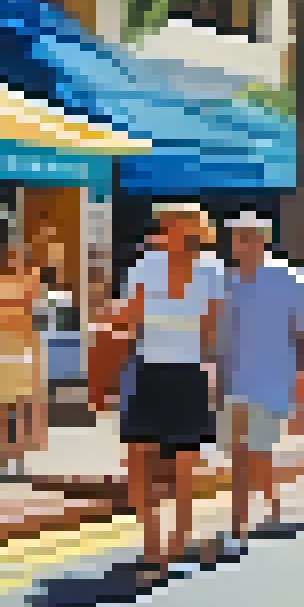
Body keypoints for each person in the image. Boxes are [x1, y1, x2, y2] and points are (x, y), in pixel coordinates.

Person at [111, 204, 226, 585]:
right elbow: (128, 321)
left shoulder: (211, 271)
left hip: (189, 372)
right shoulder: (144, 266)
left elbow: (213, 329)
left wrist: (214, 375)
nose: (165, 229)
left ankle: (177, 539)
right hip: (149, 369)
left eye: (172, 224)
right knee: (139, 459)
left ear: (191, 231)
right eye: (164, 223)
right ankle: (152, 545)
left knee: (183, 465)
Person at [214, 212, 304, 558]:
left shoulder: (286, 278)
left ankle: (236, 530)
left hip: (271, 383)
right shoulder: (224, 281)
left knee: (246, 455)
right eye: (235, 237)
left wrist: (302, 388)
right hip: (231, 384)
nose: (239, 243)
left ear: (262, 240)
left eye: (246, 237)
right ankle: (271, 504)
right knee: (247, 454)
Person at [0, 243, 46, 473]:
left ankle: (17, 453)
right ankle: (3, 452)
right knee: (2, 403)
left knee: (21, 402)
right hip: (5, 345)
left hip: (23, 345)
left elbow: (34, 312)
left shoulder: (32, 279)